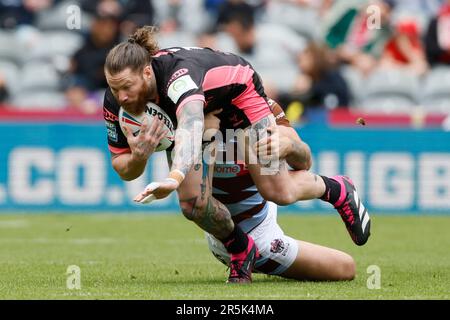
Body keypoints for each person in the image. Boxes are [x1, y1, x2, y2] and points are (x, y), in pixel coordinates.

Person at [103, 26, 371, 283]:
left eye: (126, 87)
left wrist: (174, 177)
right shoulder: (117, 100)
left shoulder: (180, 79)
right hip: (200, 132)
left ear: (148, 73)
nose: (121, 97)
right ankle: (240, 248)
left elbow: (191, 125)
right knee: (191, 203)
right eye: (114, 88)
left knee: (278, 190)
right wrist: (139, 156)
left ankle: (336, 188)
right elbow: (122, 166)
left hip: (239, 95)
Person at [205, 100, 356, 281]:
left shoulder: (261, 104)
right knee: (346, 267)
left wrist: (289, 147)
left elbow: (305, 162)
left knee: (346, 268)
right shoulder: (192, 104)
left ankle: (333, 187)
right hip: (229, 233)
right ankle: (334, 188)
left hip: (257, 225)